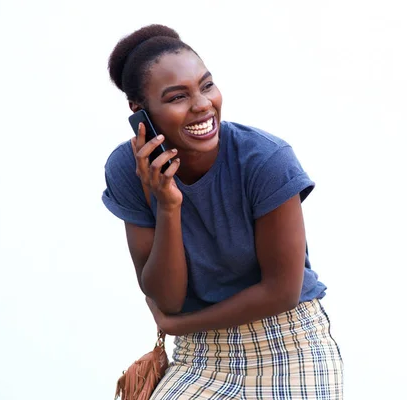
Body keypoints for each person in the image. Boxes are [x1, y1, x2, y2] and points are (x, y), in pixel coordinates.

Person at [102, 24, 343, 399]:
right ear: (139, 111)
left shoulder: (266, 160)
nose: (202, 104)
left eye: (207, 85)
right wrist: (168, 206)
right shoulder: (128, 169)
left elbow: (282, 291)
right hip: (199, 358)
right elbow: (167, 298)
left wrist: (179, 325)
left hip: (289, 345)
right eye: (177, 96)